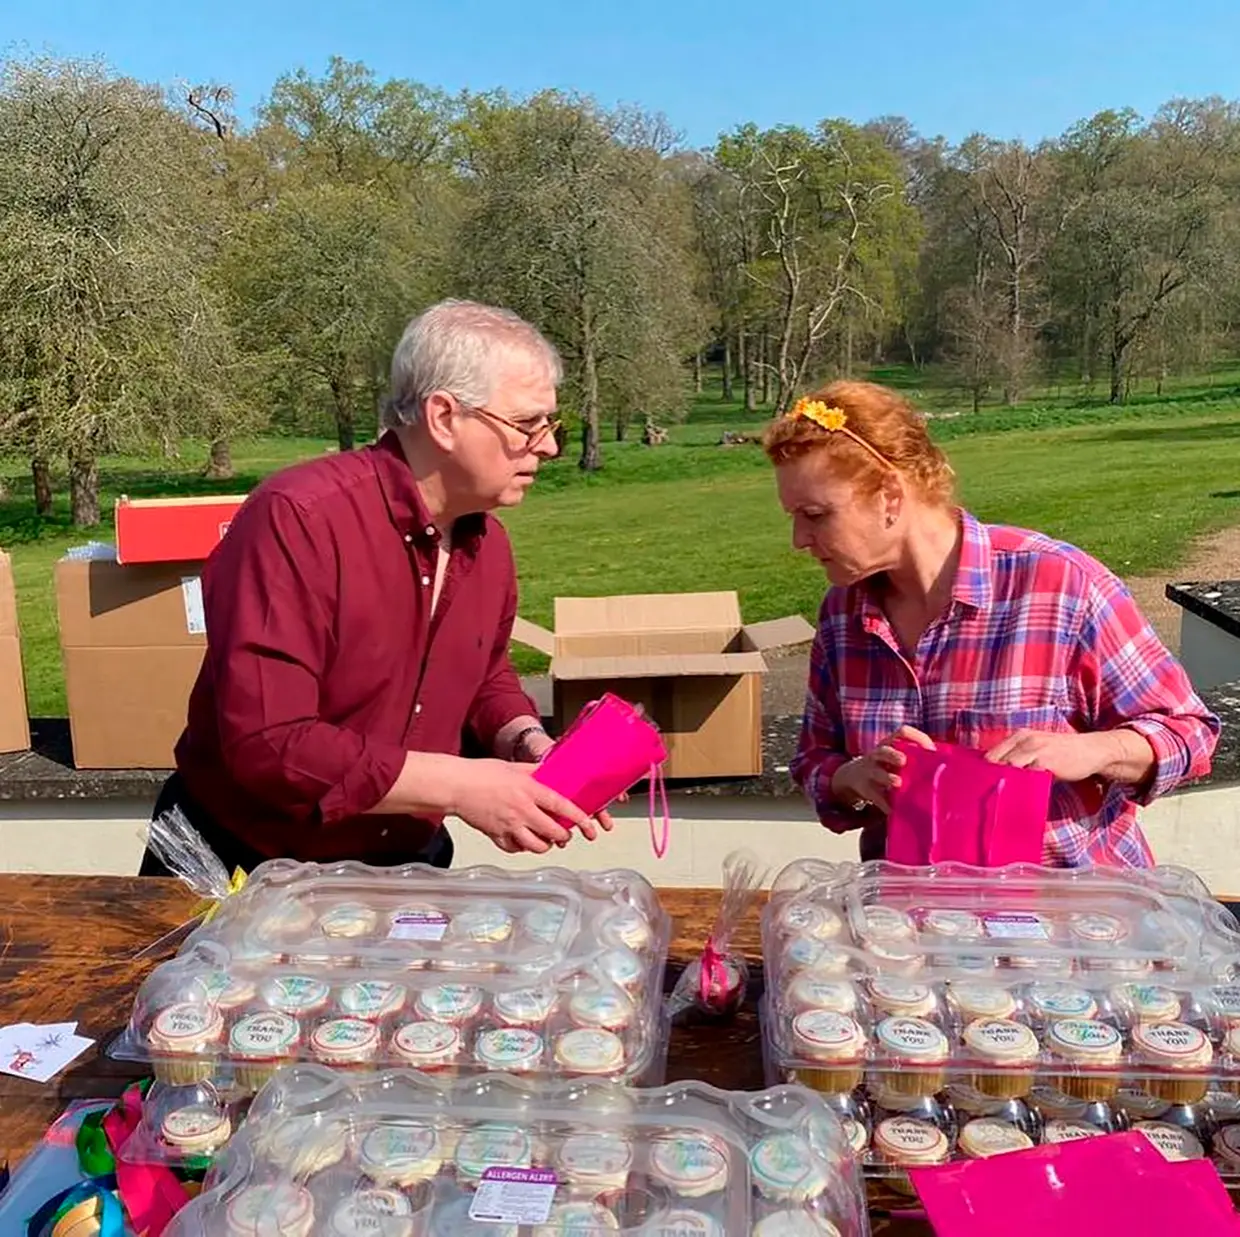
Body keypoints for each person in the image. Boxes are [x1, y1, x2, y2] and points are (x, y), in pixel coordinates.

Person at [141, 299, 607, 876]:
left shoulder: (488, 545)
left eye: (550, 426)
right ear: (443, 417)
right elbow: (268, 741)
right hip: (239, 867)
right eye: (527, 425)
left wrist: (523, 741)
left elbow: (484, 674)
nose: (549, 447)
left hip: (401, 867)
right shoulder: (298, 518)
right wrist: (462, 786)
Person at [764, 379, 1219, 868]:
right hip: (914, 924)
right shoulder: (843, 615)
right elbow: (814, 760)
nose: (798, 539)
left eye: (815, 514)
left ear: (890, 495)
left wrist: (1091, 751)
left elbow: (1189, 732)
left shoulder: (1057, 585)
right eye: (795, 516)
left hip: (1074, 923)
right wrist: (851, 778)